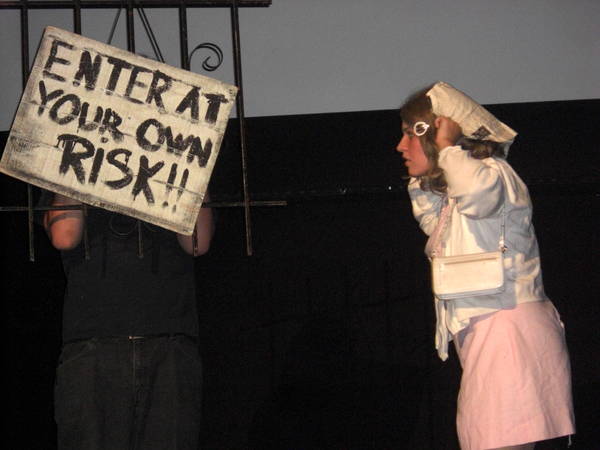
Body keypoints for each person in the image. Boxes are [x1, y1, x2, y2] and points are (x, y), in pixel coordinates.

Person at [396, 82, 575, 450]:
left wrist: (447, 147)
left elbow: (478, 198)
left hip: (506, 330)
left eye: (409, 135)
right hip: (494, 330)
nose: (401, 146)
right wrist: (429, 171)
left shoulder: (491, 173)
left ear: (435, 133)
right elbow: (433, 225)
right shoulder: (462, 191)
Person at [43, 192, 213, 450]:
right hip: (92, 340)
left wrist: (199, 174)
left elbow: (198, 243)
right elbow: (65, 235)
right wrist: (67, 174)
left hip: (169, 338)